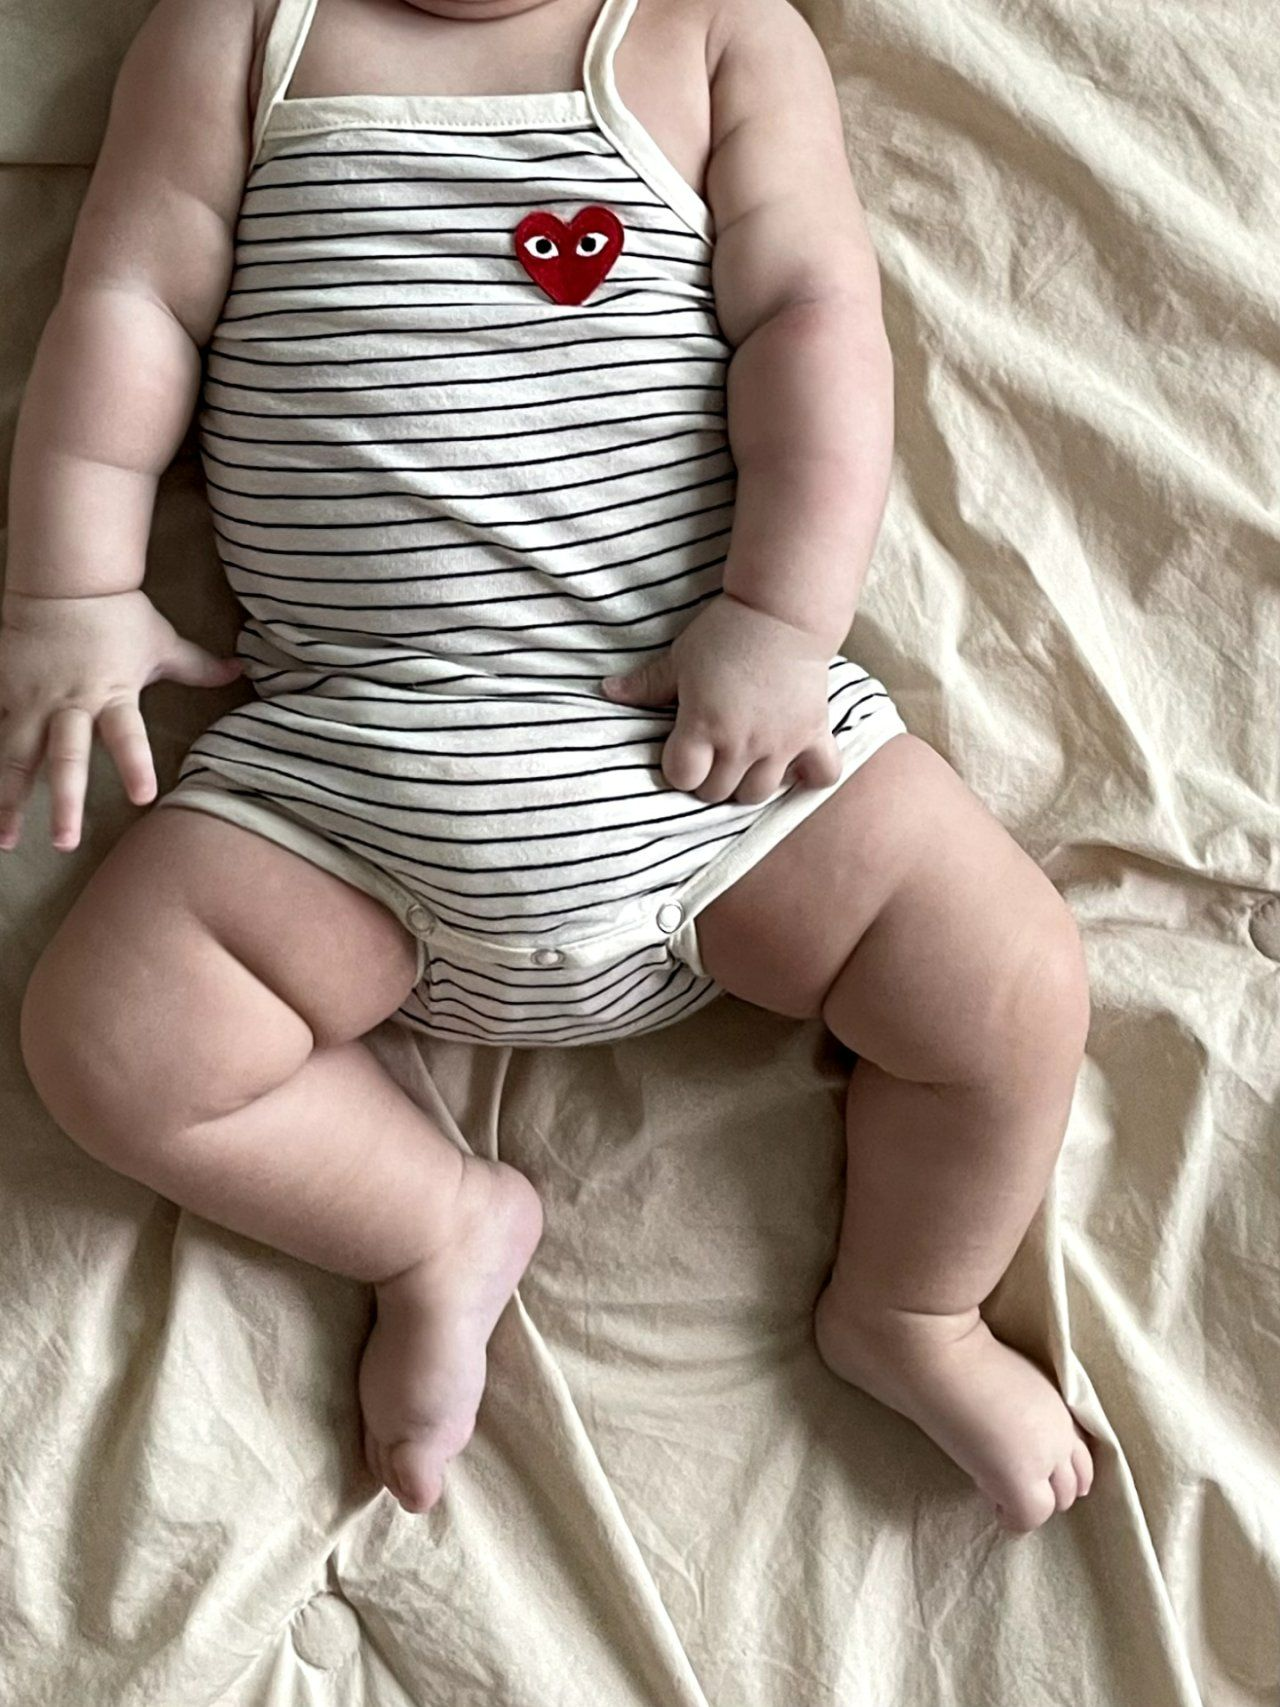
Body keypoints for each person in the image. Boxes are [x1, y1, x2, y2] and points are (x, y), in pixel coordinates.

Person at [4, 0, 1094, 1533]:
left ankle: (913, 1306)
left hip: (708, 753)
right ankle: (431, 1221)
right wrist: (72, 590)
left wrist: (781, 621)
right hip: (343, 784)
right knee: (109, 1039)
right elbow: (129, 304)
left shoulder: (712, 37)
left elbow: (814, 320)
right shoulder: (240, 36)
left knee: (1011, 978)